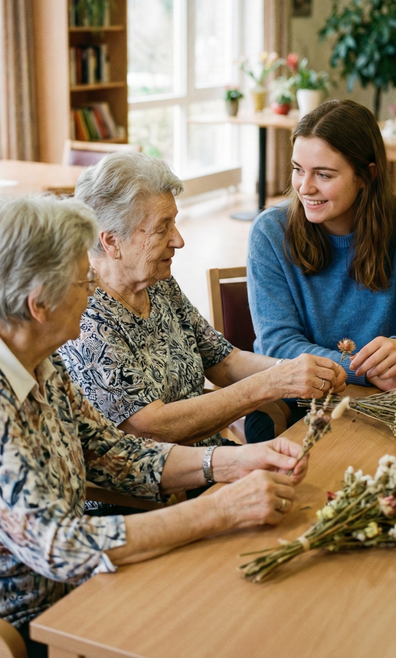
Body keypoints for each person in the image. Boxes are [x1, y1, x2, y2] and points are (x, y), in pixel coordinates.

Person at [0, 195, 309, 656]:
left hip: (89, 586)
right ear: (39, 306)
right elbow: (61, 546)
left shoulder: (41, 365)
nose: (93, 290)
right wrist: (218, 510)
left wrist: (232, 461)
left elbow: (112, 452)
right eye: (82, 280)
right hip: (37, 623)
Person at [59, 152, 346, 453]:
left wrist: (296, 370)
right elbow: (153, 427)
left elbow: (225, 361)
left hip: (206, 460)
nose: (178, 240)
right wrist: (272, 383)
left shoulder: (157, 284)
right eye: (162, 227)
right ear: (111, 241)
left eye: (175, 223)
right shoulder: (86, 317)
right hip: (159, 490)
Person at [246, 99, 396, 440]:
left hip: (381, 401)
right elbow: (277, 345)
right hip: (292, 404)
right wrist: (366, 371)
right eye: (298, 169)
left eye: (323, 174)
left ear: (366, 175)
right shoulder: (270, 232)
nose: (304, 187)